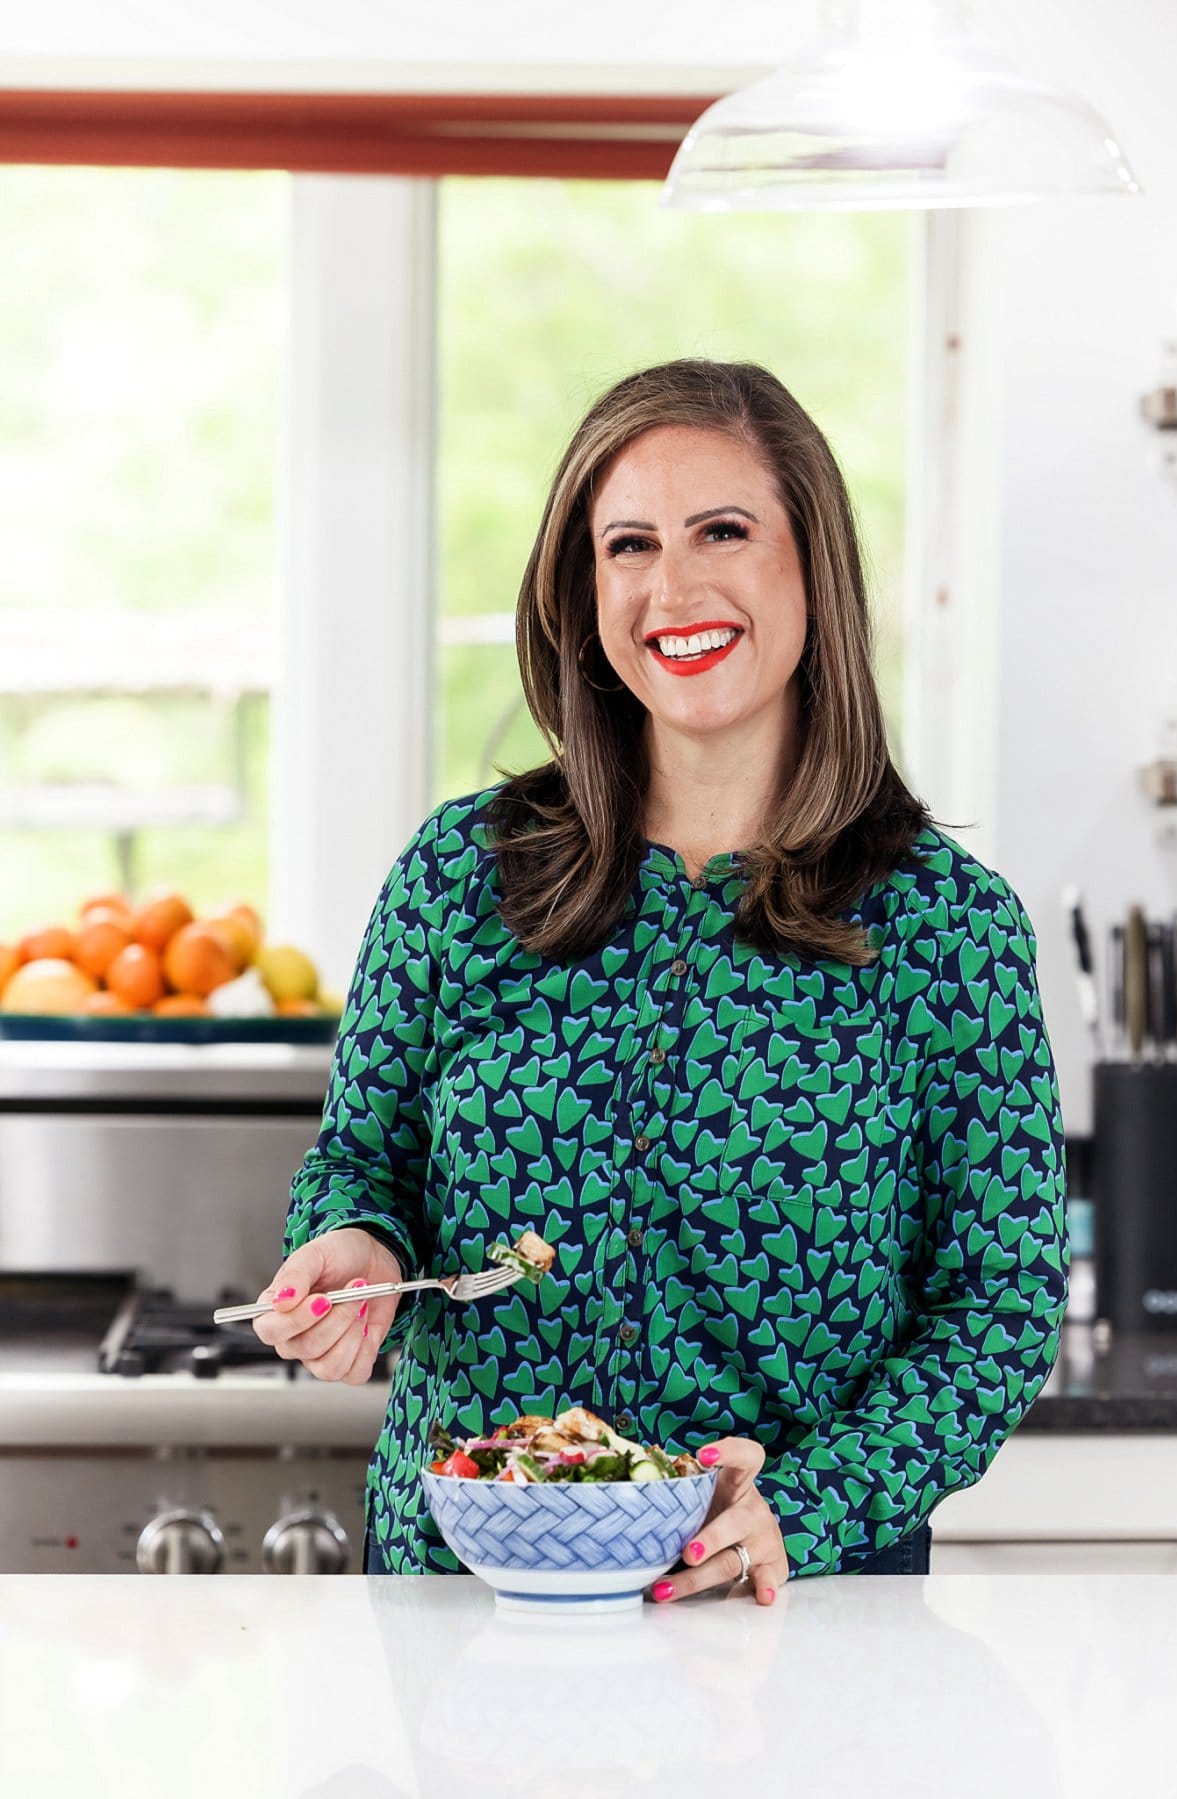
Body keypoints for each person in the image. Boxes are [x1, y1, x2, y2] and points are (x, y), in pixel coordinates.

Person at [255, 358, 1068, 1601]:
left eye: (724, 532)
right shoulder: (458, 876)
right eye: (628, 544)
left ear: (813, 566)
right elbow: (364, 1159)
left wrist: (808, 1505)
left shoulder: (948, 930)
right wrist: (351, 1240)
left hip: (786, 1607)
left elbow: (1001, 1302)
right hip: (469, 1604)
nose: (672, 586)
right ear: (585, 593)